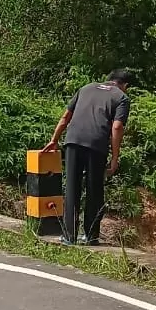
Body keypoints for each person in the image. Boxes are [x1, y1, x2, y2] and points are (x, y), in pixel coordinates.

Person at [43, 69, 132, 245]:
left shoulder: (85, 88)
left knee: (71, 187)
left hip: (73, 140)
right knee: (94, 189)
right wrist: (115, 157)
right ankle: (91, 236)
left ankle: (69, 236)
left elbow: (65, 117)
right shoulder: (121, 98)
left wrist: (54, 140)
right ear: (125, 85)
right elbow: (117, 127)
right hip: (96, 144)